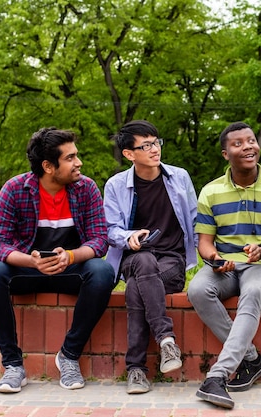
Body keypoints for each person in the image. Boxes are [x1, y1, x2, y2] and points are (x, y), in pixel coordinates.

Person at [0, 127, 116, 393]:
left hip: (70, 269)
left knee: (102, 271)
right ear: (48, 166)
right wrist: (32, 262)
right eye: (70, 158)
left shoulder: (85, 188)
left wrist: (72, 256)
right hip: (28, 270)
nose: (79, 163)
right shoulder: (15, 189)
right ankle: (13, 366)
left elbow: (99, 240)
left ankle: (69, 355)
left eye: (76, 156)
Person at [187, 121, 261, 409]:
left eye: (251, 141)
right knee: (198, 290)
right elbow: (205, 243)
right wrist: (214, 259)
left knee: (252, 293)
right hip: (225, 267)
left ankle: (218, 376)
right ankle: (251, 359)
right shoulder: (211, 192)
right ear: (226, 154)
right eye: (238, 143)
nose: (248, 146)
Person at [103, 120, 198, 394]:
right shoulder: (116, 185)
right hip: (135, 256)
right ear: (129, 154)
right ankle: (166, 340)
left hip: (171, 260)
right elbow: (110, 230)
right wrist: (128, 237)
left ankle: (136, 370)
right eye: (145, 145)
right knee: (143, 262)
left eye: (156, 142)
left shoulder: (179, 177)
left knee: (135, 288)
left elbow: (194, 219)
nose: (154, 149)